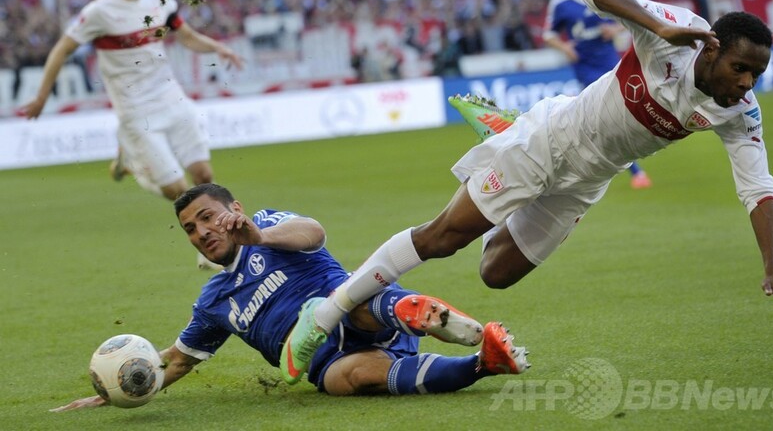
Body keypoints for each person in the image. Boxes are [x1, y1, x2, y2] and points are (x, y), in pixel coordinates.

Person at [280, 0, 773, 382]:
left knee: (496, 273)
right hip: (550, 141)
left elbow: (758, 188)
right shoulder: (677, 34)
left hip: (588, 180)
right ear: (712, 49)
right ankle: (324, 314)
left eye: (756, 75)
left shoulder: (739, 111)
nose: (746, 84)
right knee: (442, 238)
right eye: (740, 69)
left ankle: (501, 133)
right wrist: (659, 26)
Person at [50, 183, 528, 410]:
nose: (201, 232)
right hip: (329, 361)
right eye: (190, 228)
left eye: (208, 217)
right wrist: (118, 388)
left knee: (352, 303)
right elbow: (175, 360)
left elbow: (313, 232)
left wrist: (259, 237)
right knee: (345, 380)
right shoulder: (214, 302)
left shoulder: (268, 224)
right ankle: (484, 362)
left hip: (351, 310)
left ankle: (409, 311)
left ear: (234, 210)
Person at [21, 0, 243, 204]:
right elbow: (62, 50)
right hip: (135, 110)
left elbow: (187, 36)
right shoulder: (99, 12)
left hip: (170, 96)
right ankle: (134, 164)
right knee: (178, 191)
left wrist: (218, 48)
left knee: (204, 175)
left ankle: (219, 230)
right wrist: (42, 96)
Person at [543, 0, 651, 189]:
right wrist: (565, 48)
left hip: (611, 61)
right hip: (585, 66)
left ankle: (621, 158)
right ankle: (634, 170)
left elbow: (634, 14)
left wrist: (615, 29)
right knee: (605, 114)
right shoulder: (560, 3)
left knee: (625, 110)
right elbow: (548, 34)